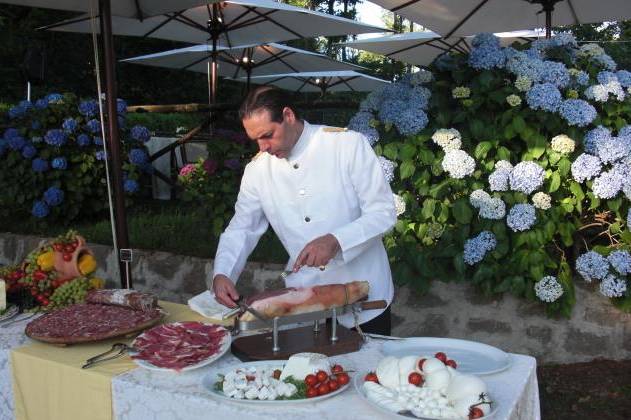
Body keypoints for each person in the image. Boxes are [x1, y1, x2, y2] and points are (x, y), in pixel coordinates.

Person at [212, 86, 396, 335]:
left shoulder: (346, 145)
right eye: (256, 139)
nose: (263, 147)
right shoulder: (256, 171)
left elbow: (383, 212)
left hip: (366, 294)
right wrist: (223, 272)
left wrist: (336, 241)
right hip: (304, 302)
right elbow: (242, 228)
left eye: (267, 135)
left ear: (288, 115)